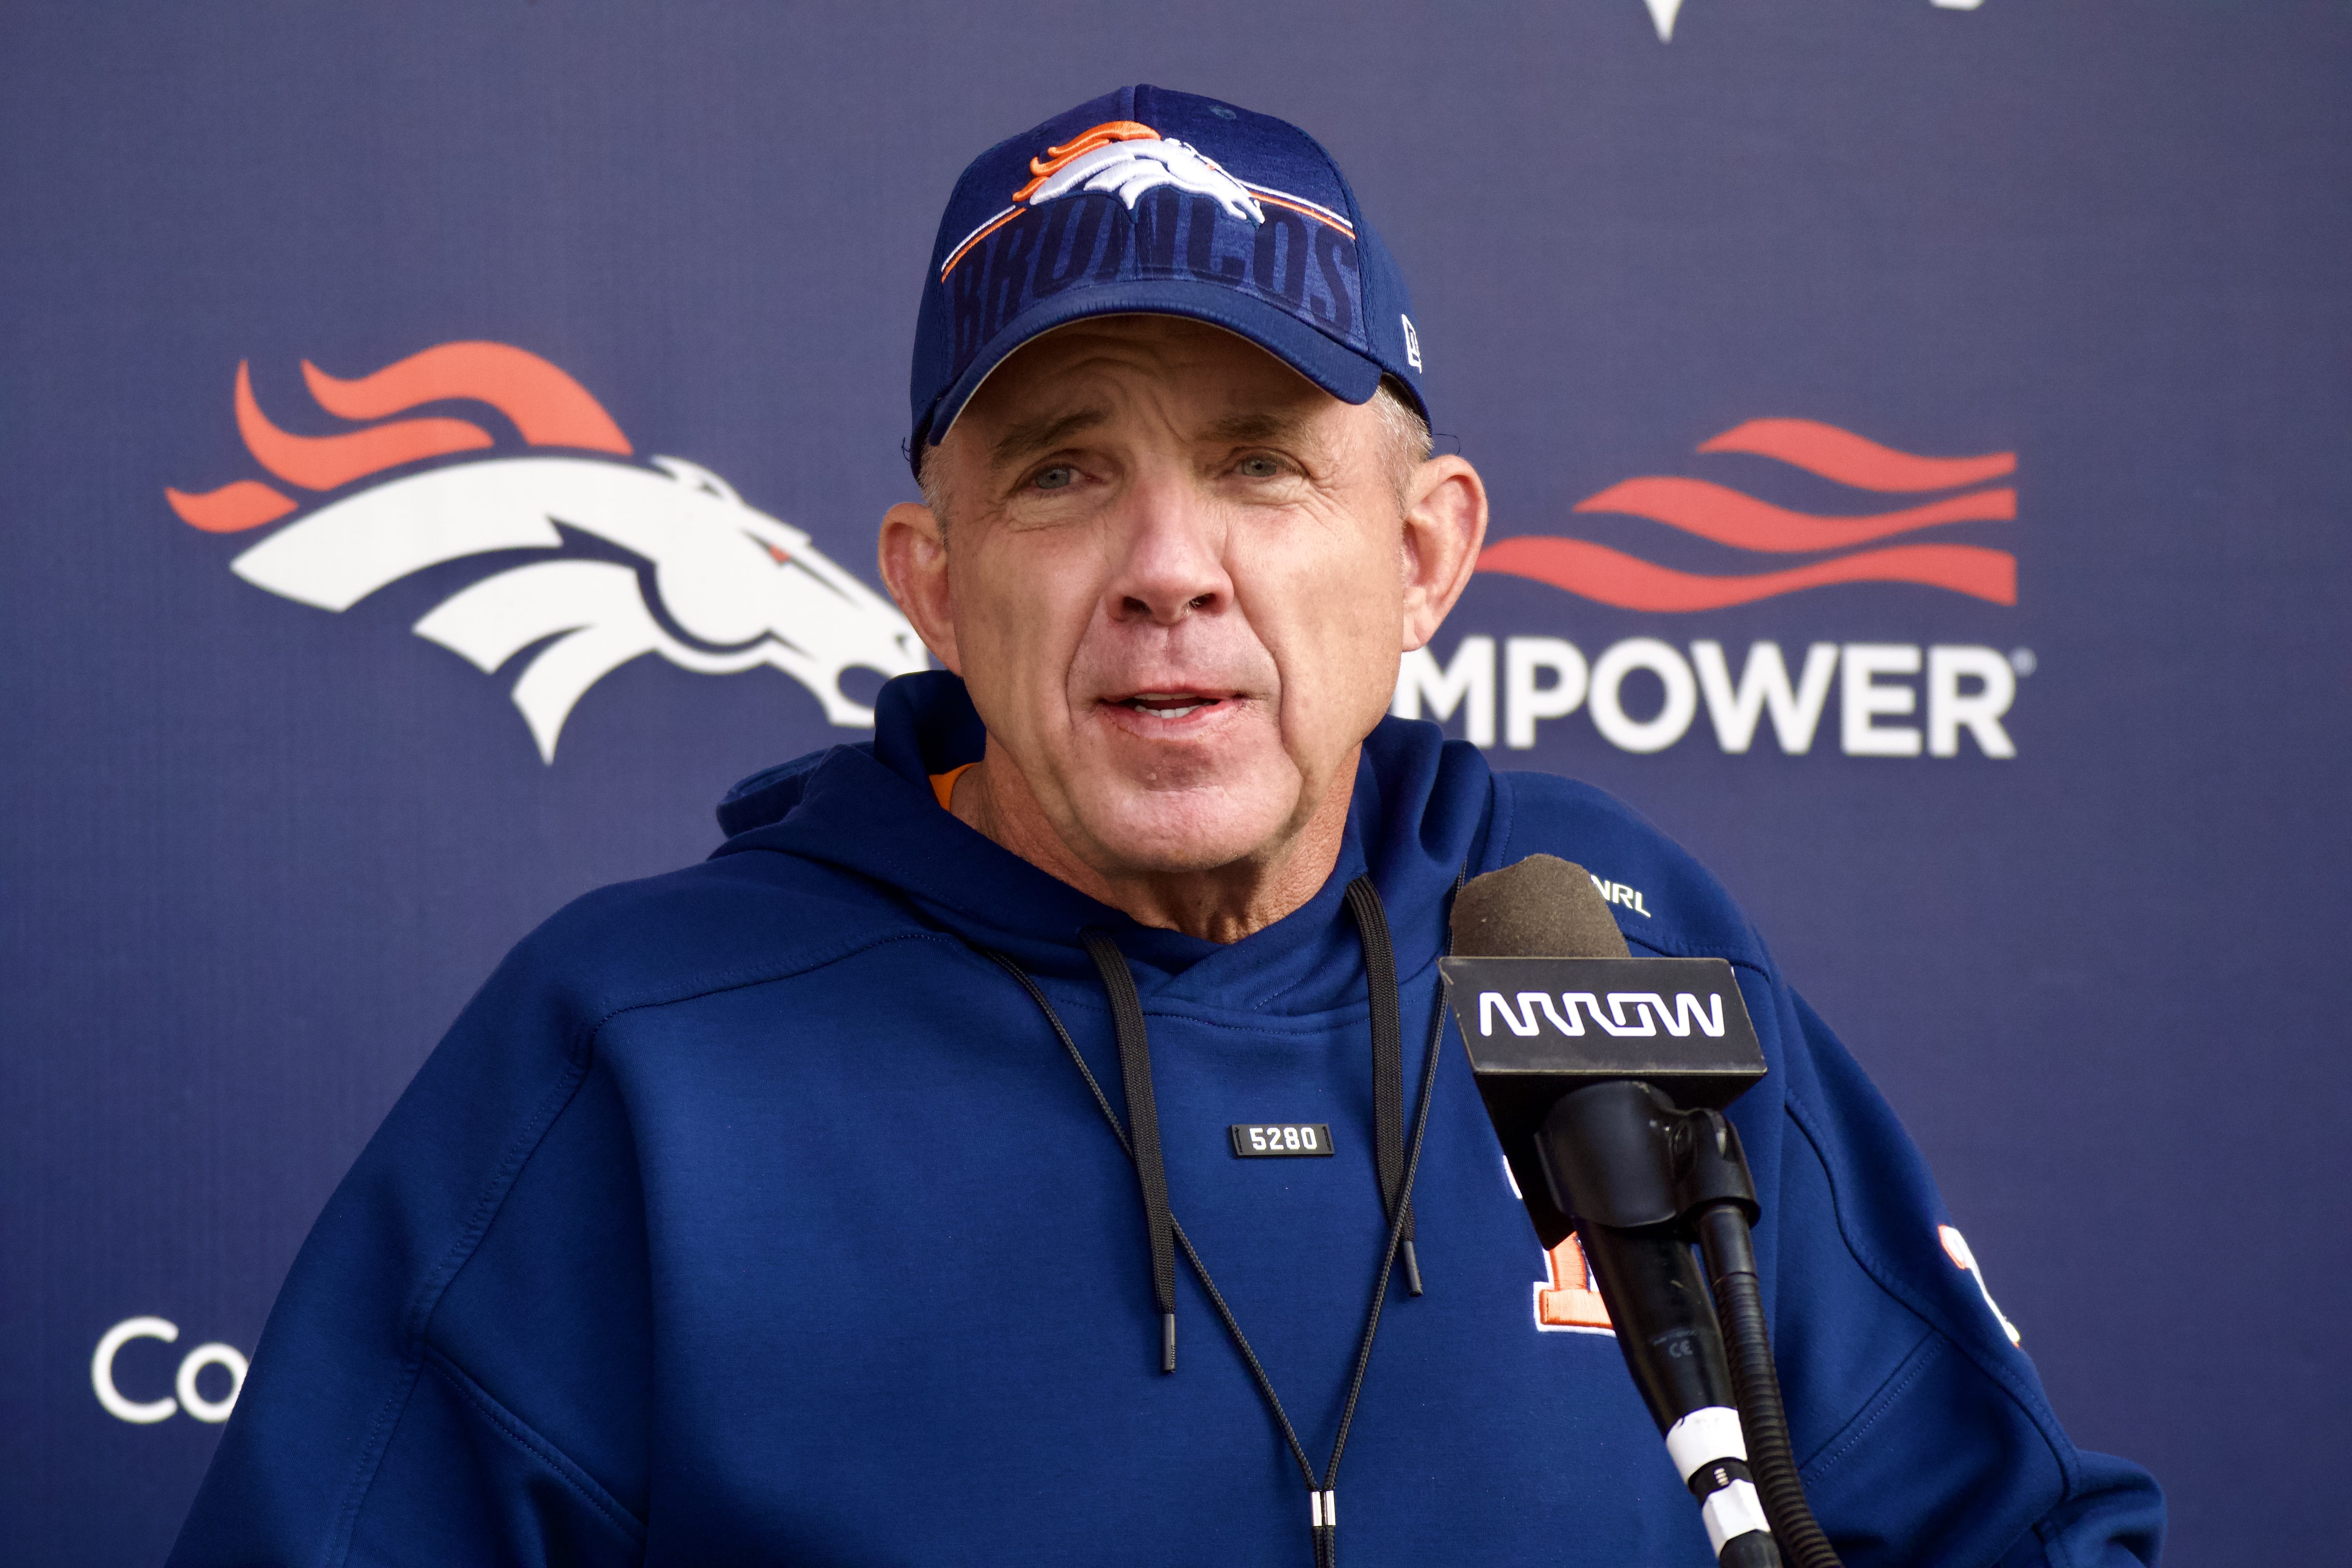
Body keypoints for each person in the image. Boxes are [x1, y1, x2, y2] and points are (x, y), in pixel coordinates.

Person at [170, 86, 2161, 1567]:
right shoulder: (637, 1052)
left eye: (1260, 466)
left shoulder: (1606, 937)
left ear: (1424, 553)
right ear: (935, 581)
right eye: (1063, 473)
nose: (1168, 567)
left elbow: (2012, 1533)